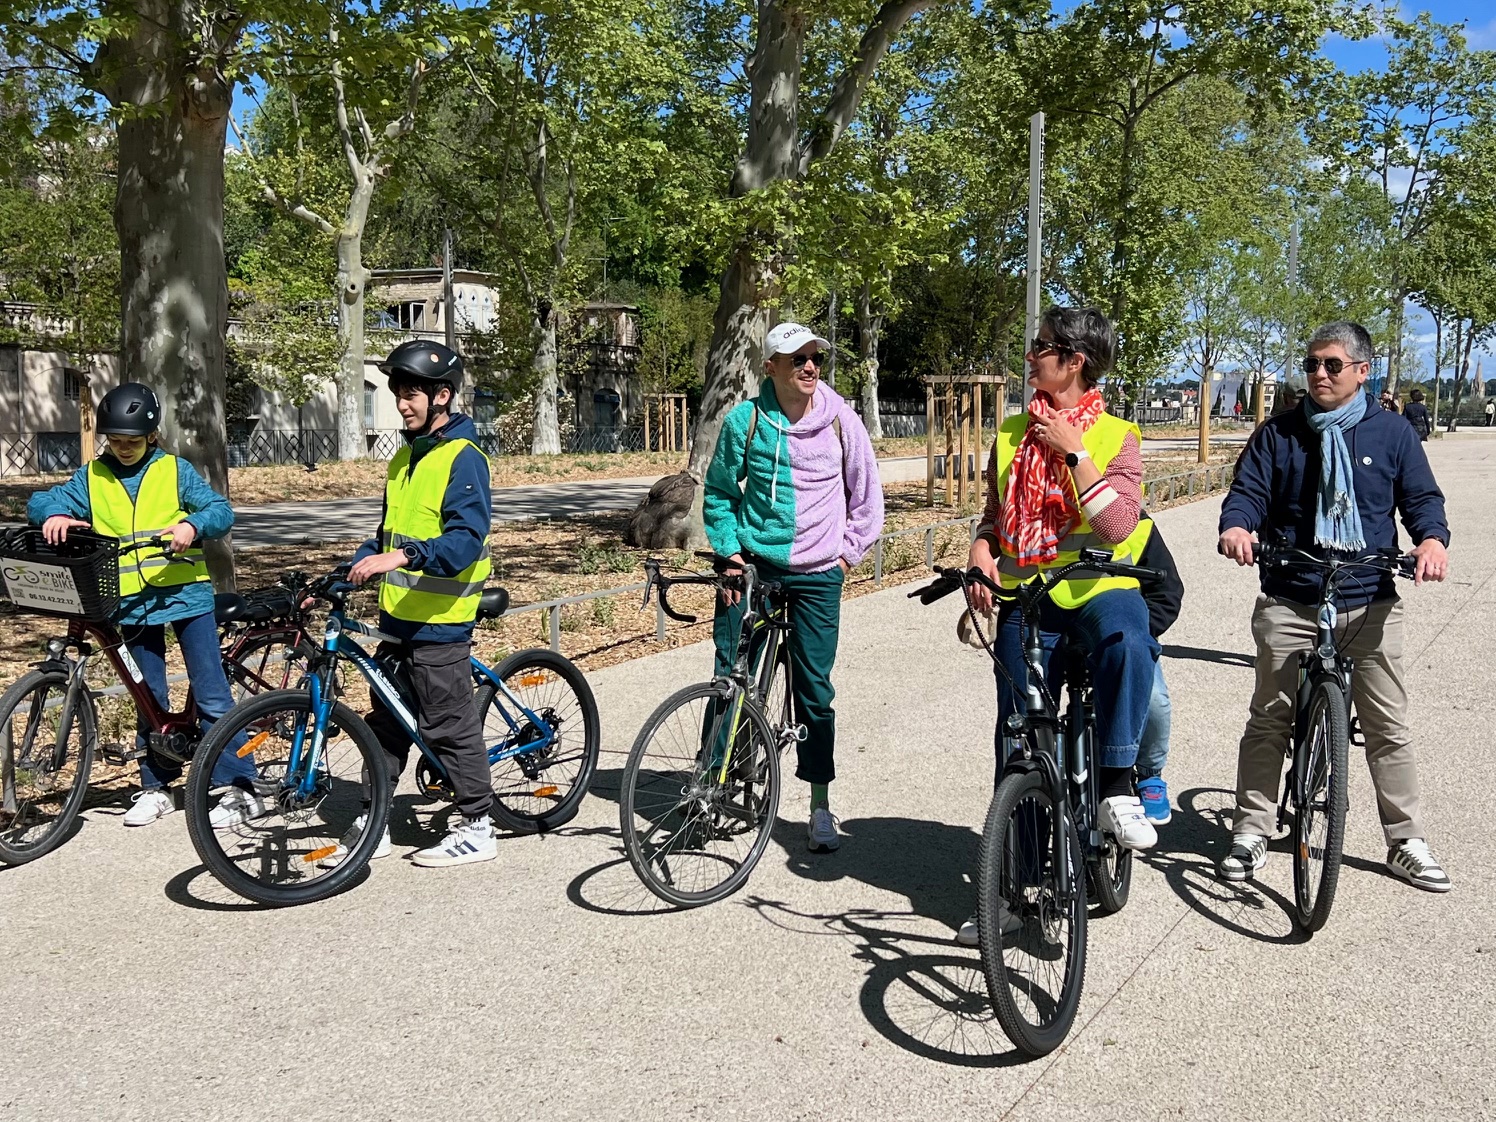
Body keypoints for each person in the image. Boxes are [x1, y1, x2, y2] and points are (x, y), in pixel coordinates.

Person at [1218, 321, 1452, 892]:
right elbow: (1248, 492)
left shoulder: (1393, 432)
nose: (1319, 374)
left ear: (1362, 371)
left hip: (1367, 597)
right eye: (1312, 365)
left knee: (1387, 724)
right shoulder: (1278, 434)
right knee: (1269, 717)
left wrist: (1431, 541)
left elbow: (1421, 500)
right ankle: (1252, 831)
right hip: (1292, 593)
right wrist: (1238, 526)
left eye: (1332, 365)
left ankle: (1406, 841)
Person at [953, 307, 1160, 946]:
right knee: (1017, 737)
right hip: (1028, 593)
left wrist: (1074, 454)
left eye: (1040, 348)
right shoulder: (1011, 433)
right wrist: (981, 553)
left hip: (1100, 586)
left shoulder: (1118, 435)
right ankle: (1015, 893)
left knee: (1130, 642)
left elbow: (1120, 526)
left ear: (1075, 361)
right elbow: (994, 515)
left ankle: (1119, 783)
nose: (1029, 358)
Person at [26, 382, 263, 828]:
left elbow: (220, 511)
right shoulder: (92, 477)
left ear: (152, 436)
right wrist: (51, 515)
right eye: (115, 441)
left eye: (132, 441)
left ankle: (236, 785)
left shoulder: (175, 471)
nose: (123, 448)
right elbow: (42, 500)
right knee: (147, 696)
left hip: (185, 597)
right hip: (130, 604)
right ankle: (156, 787)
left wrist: (193, 526)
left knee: (212, 694)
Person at [702, 322, 885, 853]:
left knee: (814, 692)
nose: (809, 367)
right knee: (728, 678)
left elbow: (867, 497)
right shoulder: (748, 419)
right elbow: (717, 494)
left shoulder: (841, 423)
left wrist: (846, 555)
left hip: (819, 575)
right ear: (771, 368)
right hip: (753, 566)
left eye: (815, 359)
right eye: (797, 358)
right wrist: (730, 553)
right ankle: (713, 782)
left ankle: (819, 803)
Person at [324, 339, 498, 869]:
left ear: (442, 396)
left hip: (442, 620)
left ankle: (478, 824)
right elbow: (386, 536)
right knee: (388, 721)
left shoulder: (464, 458)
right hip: (398, 617)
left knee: (448, 723)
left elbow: (466, 540)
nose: (402, 403)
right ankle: (375, 816)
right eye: (399, 392)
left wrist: (401, 557)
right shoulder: (404, 457)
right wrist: (350, 569)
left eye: (412, 393)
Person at [1134, 524, 1184, 824]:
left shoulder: (1136, 524)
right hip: (1061, 632)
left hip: (1126, 636)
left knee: (1155, 701)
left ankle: (1150, 773)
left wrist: (1141, 631)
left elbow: (1167, 591)